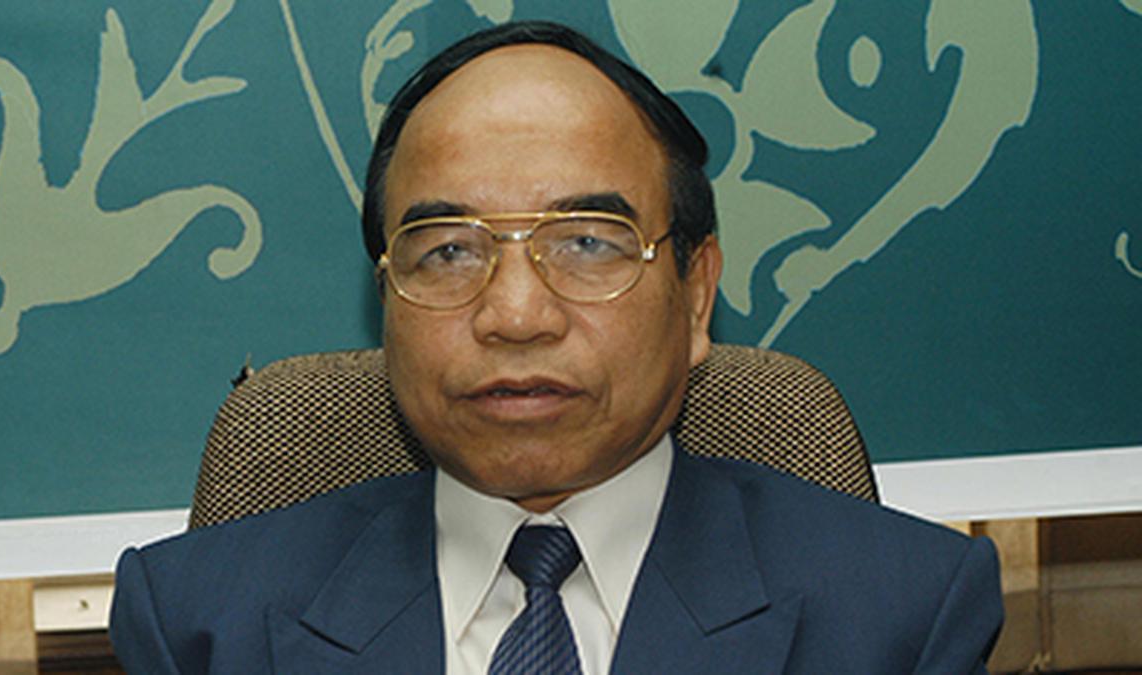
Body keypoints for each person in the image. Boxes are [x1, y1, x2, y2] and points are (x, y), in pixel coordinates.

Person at [109, 21, 1003, 674]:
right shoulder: (198, 623)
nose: (515, 314)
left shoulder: (901, 616)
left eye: (586, 242)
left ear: (696, 294)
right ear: (386, 299)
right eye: (447, 251)